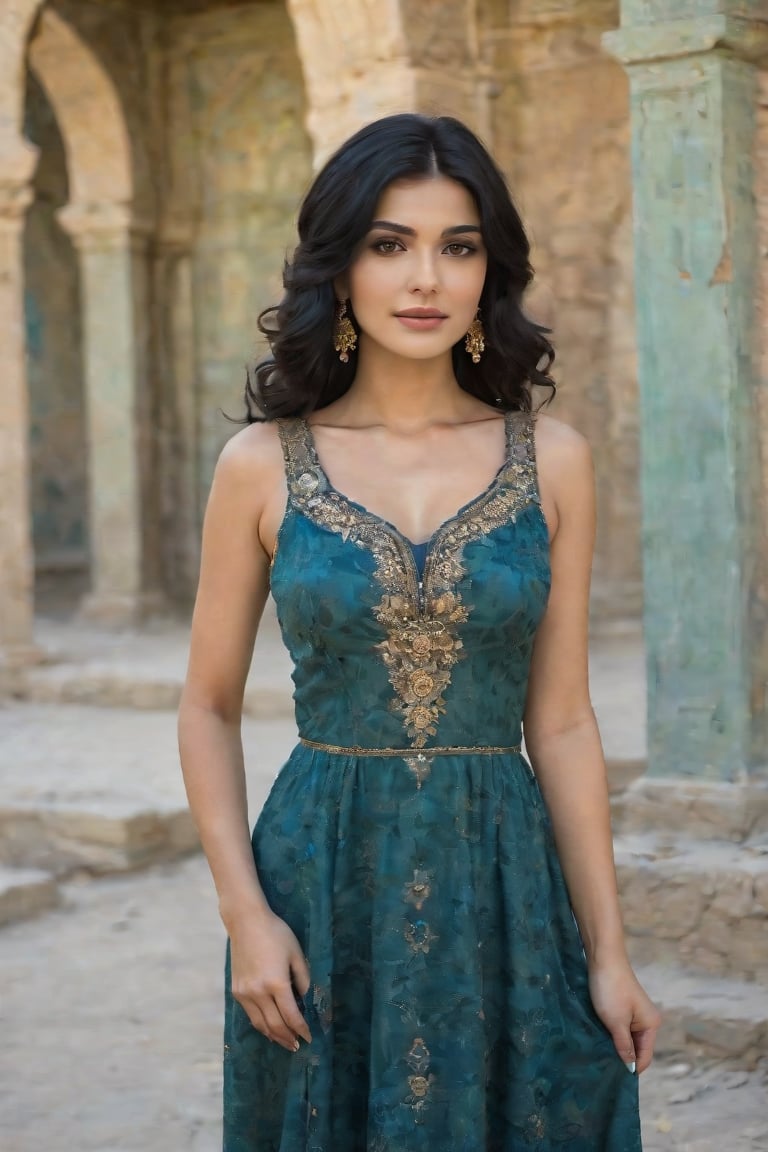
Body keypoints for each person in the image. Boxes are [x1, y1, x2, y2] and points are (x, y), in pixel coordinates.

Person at [178, 112, 660, 1151]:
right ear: (340, 267)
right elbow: (207, 705)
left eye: (459, 245)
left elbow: (565, 722)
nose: (425, 278)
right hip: (320, 880)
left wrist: (610, 950)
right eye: (389, 244)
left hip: (505, 878)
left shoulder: (554, 459)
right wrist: (245, 917)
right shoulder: (263, 464)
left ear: (492, 271)